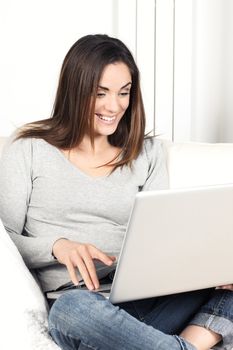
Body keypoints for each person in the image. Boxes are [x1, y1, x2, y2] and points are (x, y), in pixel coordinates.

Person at [0, 34, 232, 350]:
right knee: (72, 310)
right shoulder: (28, 149)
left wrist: (205, 269)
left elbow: (161, 238)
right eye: (101, 93)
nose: (114, 106)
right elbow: (5, 239)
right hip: (83, 306)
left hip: (147, 302)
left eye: (123, 93)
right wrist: (57, 246)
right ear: (75, 90)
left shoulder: (146, 154)